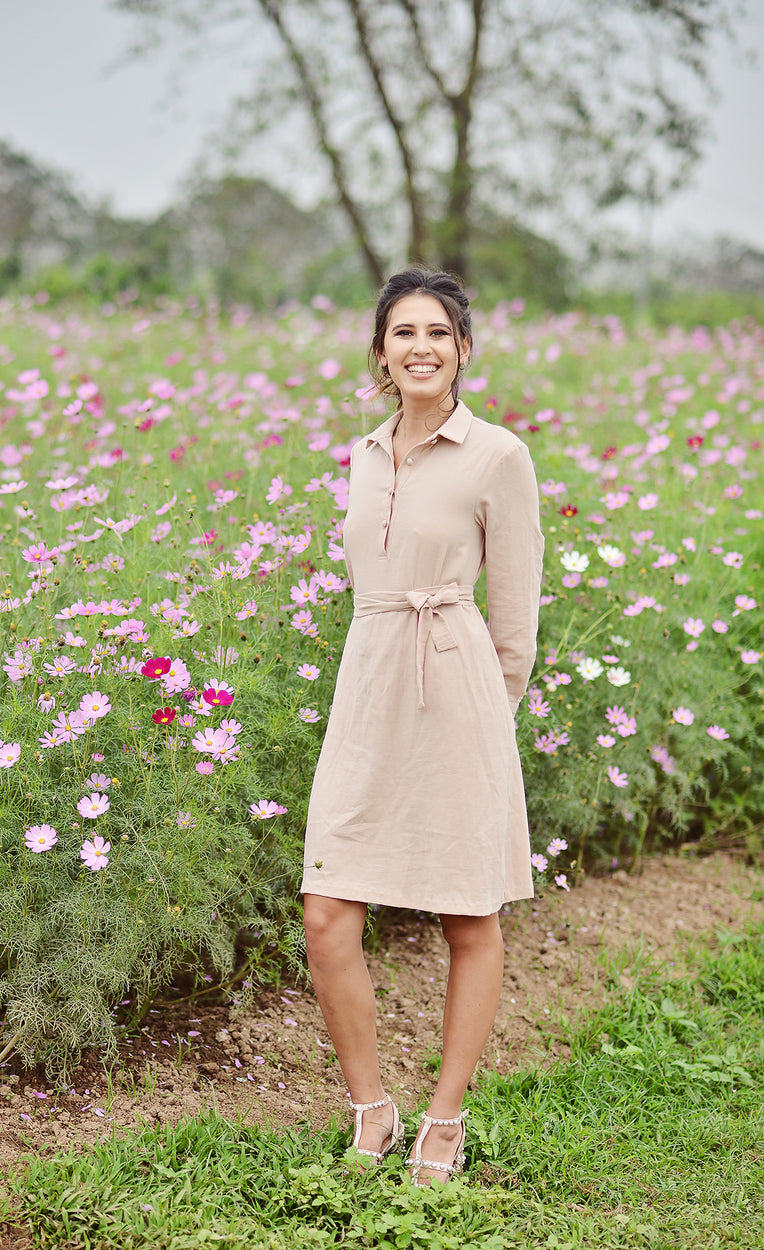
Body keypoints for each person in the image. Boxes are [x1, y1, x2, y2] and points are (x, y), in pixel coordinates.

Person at [301, 267, 544, 1186]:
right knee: (328, 914)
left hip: (459, 692)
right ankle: (372, 1108)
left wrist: (485, 718)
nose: (420, 348)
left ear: (464, 350)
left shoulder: (498, 456)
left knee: (468, 913)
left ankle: (445, 1119)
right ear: (380, 352)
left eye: (438, 333)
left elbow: (515, 623)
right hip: (368, 688)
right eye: (403, 333)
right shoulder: (363, 454)